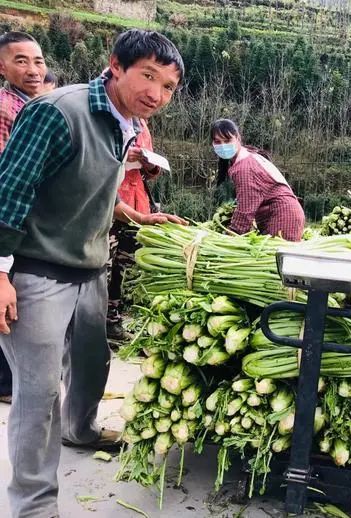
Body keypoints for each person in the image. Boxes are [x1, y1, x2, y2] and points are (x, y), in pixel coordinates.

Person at [0, 29, 185, 518]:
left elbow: (92, 188)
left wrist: (140, 217)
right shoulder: (59, 111)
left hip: (88, 267)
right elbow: (8, 194)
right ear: (116, 66)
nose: (156, 93)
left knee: (91, 361)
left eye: (168, 86)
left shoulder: (126, 122)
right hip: (37, 272)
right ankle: (34, 507)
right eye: (148, 76)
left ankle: (79, 430)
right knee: (39, 394)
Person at [0, 31, 47, 405]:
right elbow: (10, 178)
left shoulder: (32, 105)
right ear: (2, 66)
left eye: (38, 61)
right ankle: (6, 383)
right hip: (11, 221)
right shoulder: (7, 108)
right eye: (21, 61)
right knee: (8, 302)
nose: (33, 69)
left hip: (23, 224)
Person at [107, 118, 162, 341]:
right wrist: (123, 156)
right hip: (110, 203)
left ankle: (112, 321)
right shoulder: (106, 119)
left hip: (136, 203)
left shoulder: (142, 124)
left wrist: (148, 162)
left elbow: (151, 172)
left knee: (122, 268)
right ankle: (90, 325)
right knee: (103, 267)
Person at [211, 118, 305, 241]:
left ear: (238, 138)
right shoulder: (246, 156)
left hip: (283, 217)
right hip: (284, 213)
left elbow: (245, 210)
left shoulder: (245, 167)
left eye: (227, 140)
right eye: (217, 141)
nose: (223, 146)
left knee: (275, 253)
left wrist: (230, 237)